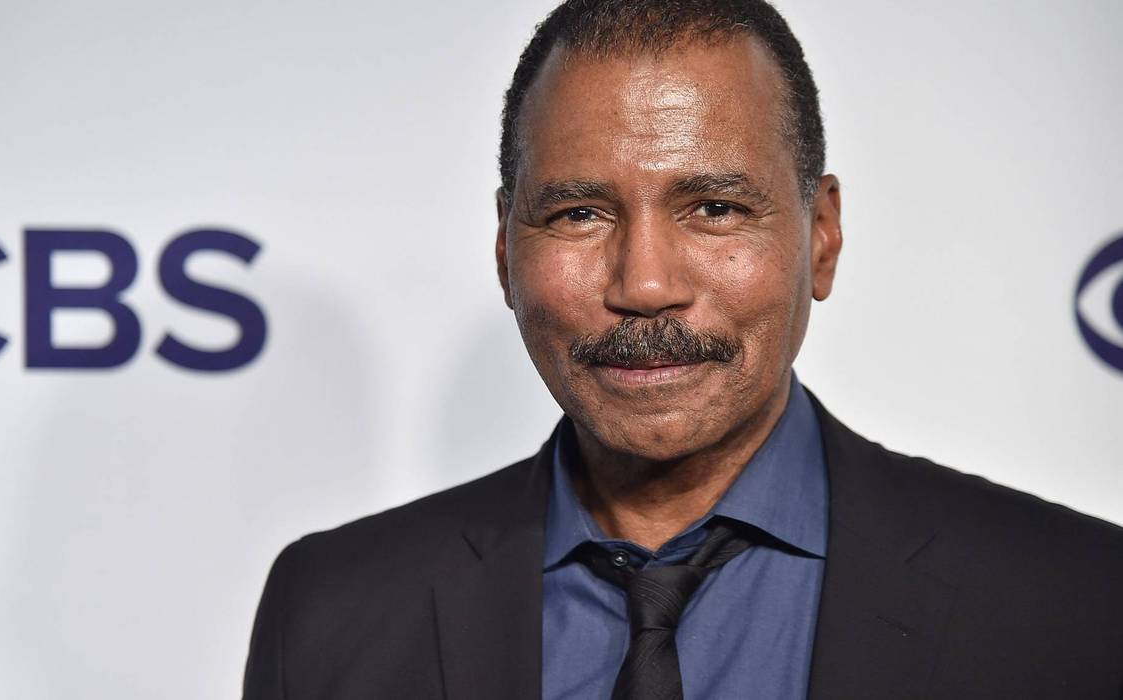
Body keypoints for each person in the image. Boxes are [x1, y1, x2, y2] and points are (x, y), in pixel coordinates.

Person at [242, 1, 1123, 698]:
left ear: (820, 236)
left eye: (714, 208)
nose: (644, 282)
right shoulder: (332, 610)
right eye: (578, 213)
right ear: (505, 250)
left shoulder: (1078, 603)